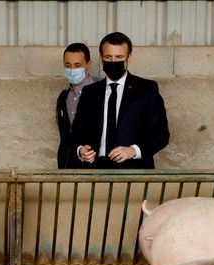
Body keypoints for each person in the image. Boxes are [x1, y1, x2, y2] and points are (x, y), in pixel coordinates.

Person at [70, 32, 169, 169]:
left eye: (119, 57)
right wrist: (80, 150)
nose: (113, 61)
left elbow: (161, 135)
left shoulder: (147, 89)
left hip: (134, 172)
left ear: (129, 58)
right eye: (108, 57)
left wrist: (133, 151)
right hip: (95, 171)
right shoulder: (90, 92)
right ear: (101, 58)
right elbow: (76, 133)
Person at [56, 43, 99, 168]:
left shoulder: (102, 91)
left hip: (95, 165)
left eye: (77, 65)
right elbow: (65, 134)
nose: (72, 70)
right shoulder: (63, 96)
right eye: (68, 65)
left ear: (88, 65)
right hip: (69, 165)